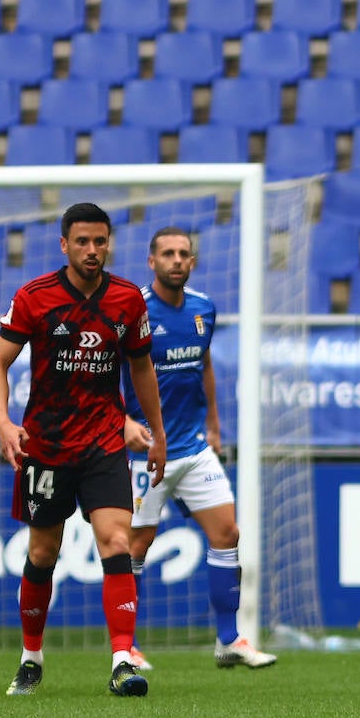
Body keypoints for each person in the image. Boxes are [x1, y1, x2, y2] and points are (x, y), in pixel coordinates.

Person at [0, 202, 168, 697]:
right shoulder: (34, 297)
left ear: (109, 243)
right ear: (64, 245)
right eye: (82, 242)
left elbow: (142, 369)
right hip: (45, 446)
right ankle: (30, 658)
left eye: (100, 241)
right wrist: (4, 423)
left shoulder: (128, 299)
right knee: (44, 552)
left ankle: (122, 662)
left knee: (115, 540)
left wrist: (156, 430)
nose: (93, 250)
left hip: (104, 441)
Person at [121, 227, 276, 671]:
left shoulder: (204, 308)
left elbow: (203, 363)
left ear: (193, 262)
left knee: (227, 533)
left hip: (192, 445)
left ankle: (228, 639)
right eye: (167, 253)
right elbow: (109, 372)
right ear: (151, 262)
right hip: (145, 451)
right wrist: (126, 421)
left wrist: (213, 423)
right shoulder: (135, 312)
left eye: (183, 254)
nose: (176, 260)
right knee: (137, 545)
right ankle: (126, 647)